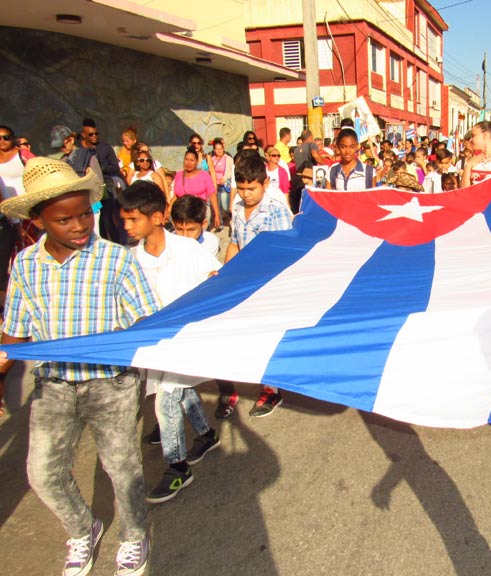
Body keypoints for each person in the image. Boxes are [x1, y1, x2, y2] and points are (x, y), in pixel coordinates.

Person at [0, 157, 159, 576]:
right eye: (64, 219)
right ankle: (81, 527)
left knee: (123, 469)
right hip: (53, 384)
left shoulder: (117, 261)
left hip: (112, 385)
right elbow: (15, 332)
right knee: (43, 473)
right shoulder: (25, 266)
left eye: (85, 214)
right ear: (38, 221)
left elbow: (147, 320)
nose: (80, 226)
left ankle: (133, 535)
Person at [118, 181, 221, 504]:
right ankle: (206, 435)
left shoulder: (188, 249)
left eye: (133, 219)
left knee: (166, 400)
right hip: (155, 343)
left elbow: (216, 280)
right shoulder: (130, 259)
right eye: (124, 220)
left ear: (158, 217)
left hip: (188, 339)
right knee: (180, 392)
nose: (127, 226)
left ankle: (177, 467)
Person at [221, 154, 293, 418]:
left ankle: (271, 390)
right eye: (241, 188)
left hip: (270, 283)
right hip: (244, 282)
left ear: (265, 183)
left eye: (251, 188)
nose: (246, 193)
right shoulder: (238, 207)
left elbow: (284, 251)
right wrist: (226, 274)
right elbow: (234, 242)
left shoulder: (276, 209)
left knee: (269, 335)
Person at [0, 125, 36, 306]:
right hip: (6, 213)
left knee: (29, 251)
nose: (2, 141)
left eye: (6, 137)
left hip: (27, 210)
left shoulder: (22, 155)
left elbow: (40, 172)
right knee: (9, 259)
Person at [170, 147, 220, 229]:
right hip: (182, 211)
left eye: (192, 160)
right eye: (186, 159)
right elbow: (176, 195)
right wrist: (168, 210)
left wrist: (217, 215)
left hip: (200, 210)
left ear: (196, 162)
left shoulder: (204, 175)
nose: (188, 163)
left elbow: (212, 195)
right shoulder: (179, 175)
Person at [209, 138, 234, 218]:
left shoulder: (228, 158)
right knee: (217, 207)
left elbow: (232, 171)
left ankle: (232, 217)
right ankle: (220, 224)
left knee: (225, 206)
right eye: (217, 149)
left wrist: (225, 177)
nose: (219, 151)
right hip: (215, 186)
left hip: (224, 185)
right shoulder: (211, 159)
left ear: (223, 148)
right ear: (214, 150)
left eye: (221, 149)